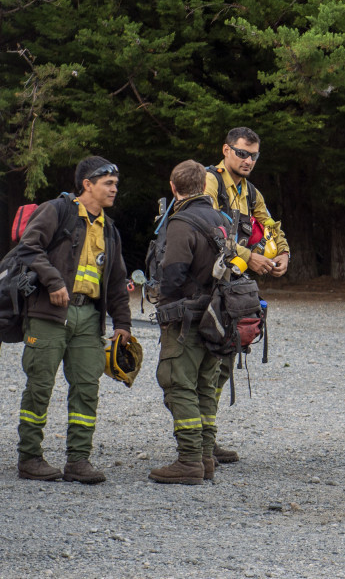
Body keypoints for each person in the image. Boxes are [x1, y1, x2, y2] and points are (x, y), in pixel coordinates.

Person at [15, 156, 133, 484]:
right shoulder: (57, 211)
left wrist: (123, 324)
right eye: (108, 183)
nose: (114, 189)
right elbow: (27, 247)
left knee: (86, 389)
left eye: (115, 184)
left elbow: (116, 280)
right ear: (87, 184)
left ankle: (78, 461)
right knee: (39, 386)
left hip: (88, 317)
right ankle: (30, 458)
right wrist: (53, 282)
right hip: (49, 315)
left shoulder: (109, 228)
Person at [204, 126, 289, 465]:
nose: (248, 160)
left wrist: (283, 253)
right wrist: (248, 253)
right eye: (241, 153)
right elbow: (206, 226)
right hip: (206, 283)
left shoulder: (250, 191)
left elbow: (269, 226)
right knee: (206, 362)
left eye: (254, 155)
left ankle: (207, 439)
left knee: (226, 359)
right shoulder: (210, 181)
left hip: (235, 286)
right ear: (226, 150)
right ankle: (196, 442)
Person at [148, 160, 232, 485]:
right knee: (205, 387)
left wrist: (164, 306)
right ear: (204, 185)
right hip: (217, 318)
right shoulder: (221, 219)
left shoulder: (181, 222)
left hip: (186, 320)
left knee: (178, 384)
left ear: (173, 187)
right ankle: (206, 459)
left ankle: (188, 462)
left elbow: (173, 274)